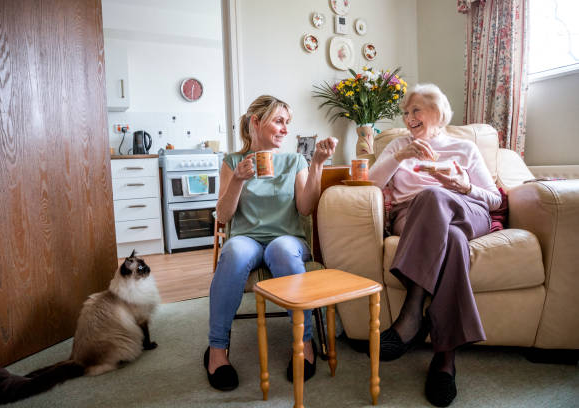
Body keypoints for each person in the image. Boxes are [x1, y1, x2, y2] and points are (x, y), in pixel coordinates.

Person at [369, 84, 501, 407]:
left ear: (437, 113)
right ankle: (445, 358)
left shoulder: (464, 148)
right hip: (413, 217)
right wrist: (400, 156)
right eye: (405, 112)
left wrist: (465, 186)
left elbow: (495, 198)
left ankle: (411, 313)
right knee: (451, 239)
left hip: (466, 210)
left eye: (416, 110)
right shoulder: (398, 145)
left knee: (437, 195)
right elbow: (369, 184)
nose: (408, 118)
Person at [205, 95, 337, 391]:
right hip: (246, 238)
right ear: (256, 122)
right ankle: (216, 350)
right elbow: (224, 216)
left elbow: (305, 208)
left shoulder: (293, 161)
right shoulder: (233, 162)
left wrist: (316, 164)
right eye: (279, 121)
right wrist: (238, 179)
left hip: (287, 238)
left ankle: (304, 343)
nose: (285, 130)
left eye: (287, 123)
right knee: (235, 252)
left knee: (280, 249)